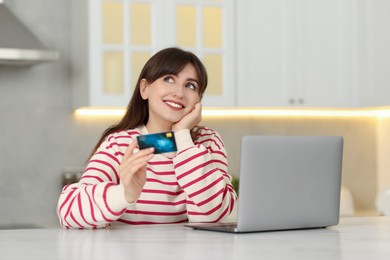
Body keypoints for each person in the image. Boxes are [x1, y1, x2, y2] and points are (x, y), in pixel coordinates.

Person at [57, 47, 237, 229]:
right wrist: (125, 194)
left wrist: (182, 135)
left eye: (190, 85)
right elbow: (69, 210)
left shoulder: (207, 141)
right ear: (145, 88)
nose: (179, 93)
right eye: (168, 79)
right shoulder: (120, 145)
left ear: (198, 99)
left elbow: (218, 216)